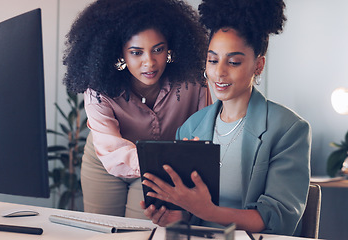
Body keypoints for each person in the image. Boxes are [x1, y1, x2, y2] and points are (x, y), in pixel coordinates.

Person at [140, 0, 312, 235]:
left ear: (258, 65)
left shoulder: (288, 129)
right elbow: (191, 214)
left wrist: (207, 211)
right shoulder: (190, 128)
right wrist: (177, 215)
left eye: (233, 62)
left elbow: (278, 218)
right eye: (212, 60)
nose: (219, 72)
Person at [62, 0, 211, 219]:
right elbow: (111, 149)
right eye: (136, 52)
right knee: (105, 233)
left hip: (162, 167)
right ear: (119, 53)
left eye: (158, 49)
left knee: (141, 230)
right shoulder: (98, 89)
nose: (149, 62)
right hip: (105, 161)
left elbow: (204, 137)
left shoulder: (193, 82)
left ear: (170, 46)